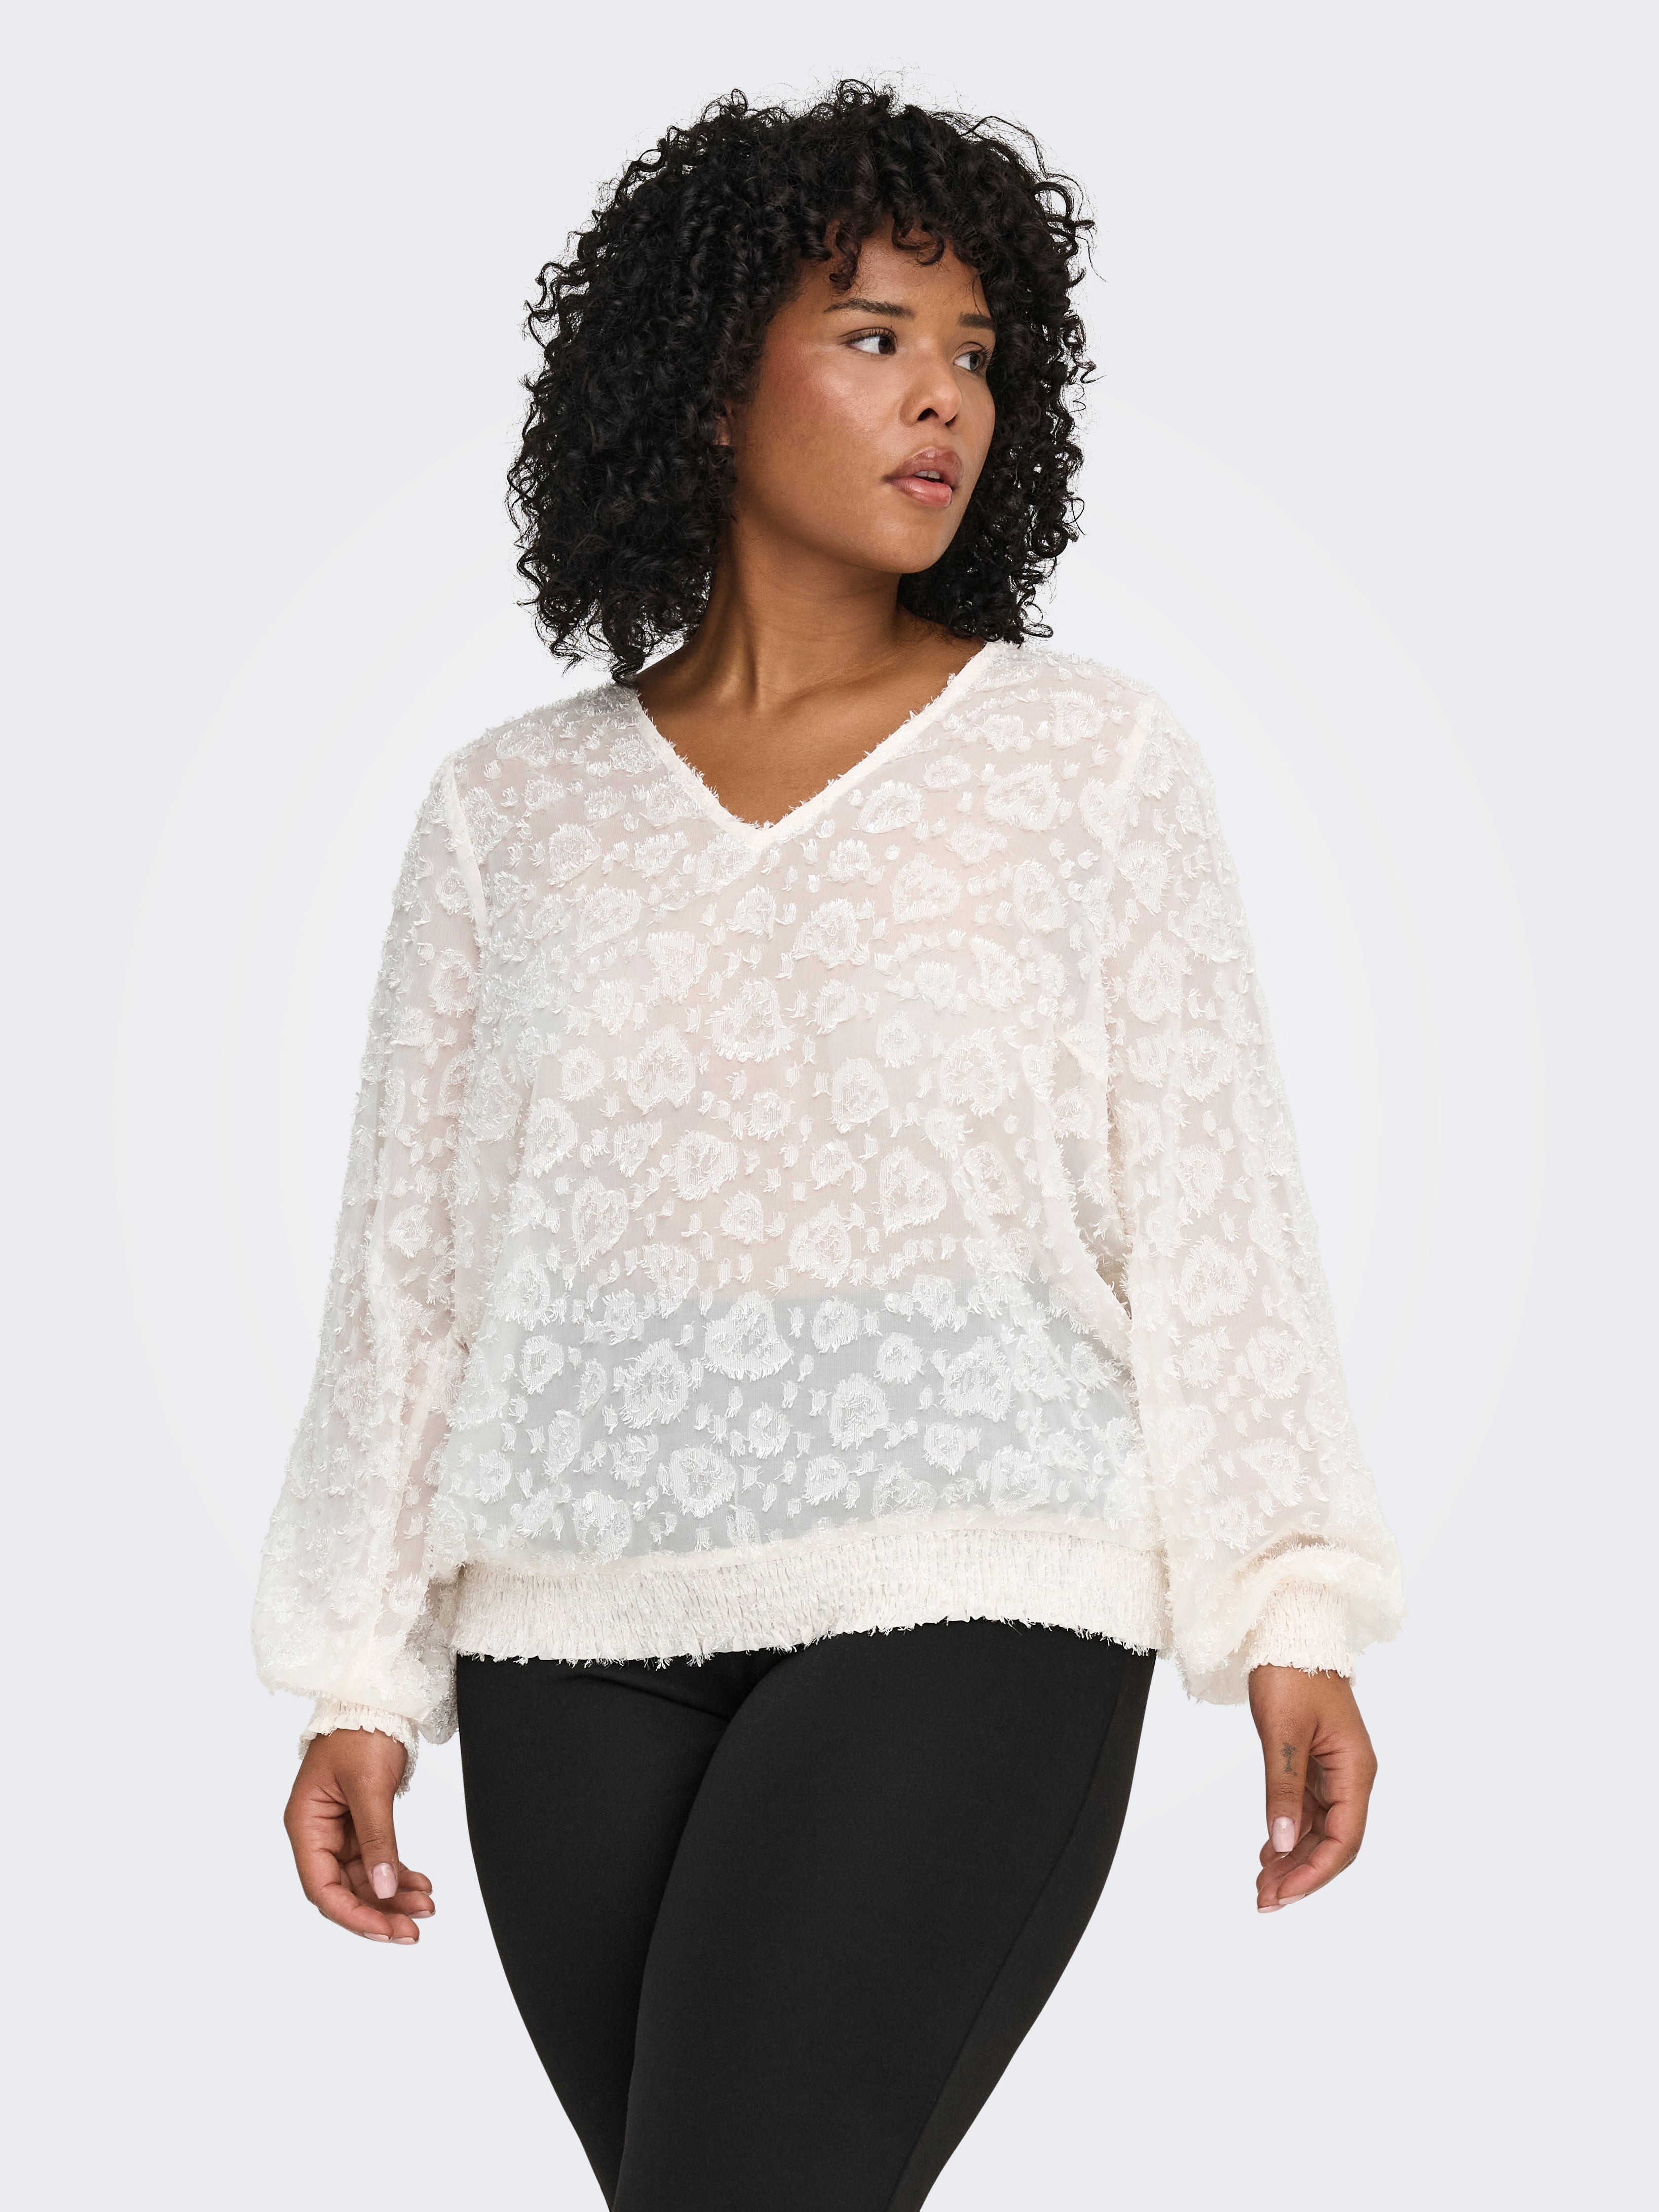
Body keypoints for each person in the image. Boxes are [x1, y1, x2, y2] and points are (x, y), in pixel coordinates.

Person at [255, 81, 1403, 2212]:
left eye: (975, 351)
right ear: (710, 383)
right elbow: (410, 1266)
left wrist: (1290, 1606)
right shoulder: (510, 812)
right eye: (875, 337)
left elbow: (1213, 1198)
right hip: (567, 1620)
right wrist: (355, 1670)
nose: (942, 396)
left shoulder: (1086, 760)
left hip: (977, 1572)